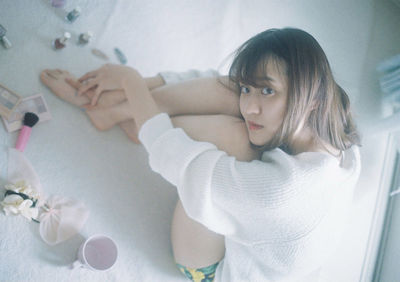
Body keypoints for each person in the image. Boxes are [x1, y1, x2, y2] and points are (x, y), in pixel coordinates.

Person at [40, 27, 362, 282]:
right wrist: (147, 84)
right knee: (238, 96)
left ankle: (126, 117)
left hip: (214, 268)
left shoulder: (279, 192)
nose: (251, 105)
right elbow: (222, 84)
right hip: (275, 235)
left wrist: (130, 81)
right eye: (255, 89)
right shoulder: (333, 121)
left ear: (313, 98)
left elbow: (175, 157)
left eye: (268, 91)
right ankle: (119, 111)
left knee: (238, 137)